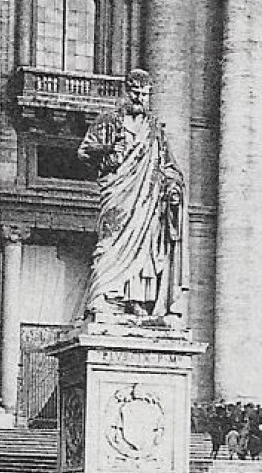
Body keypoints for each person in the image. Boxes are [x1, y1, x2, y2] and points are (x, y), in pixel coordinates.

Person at [77, 69, 187, 321]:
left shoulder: (155, 130)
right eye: (135, 93)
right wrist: (106, 149)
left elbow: (168, 165)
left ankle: (137, 300)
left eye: (145, 95)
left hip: (146, 198)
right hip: (118, 193)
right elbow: (83, 152)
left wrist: (173, 187)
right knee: (110, 244)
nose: (140, 99)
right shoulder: (108, 120)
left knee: (144, 247)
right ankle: (101, 297)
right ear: (126, 92)